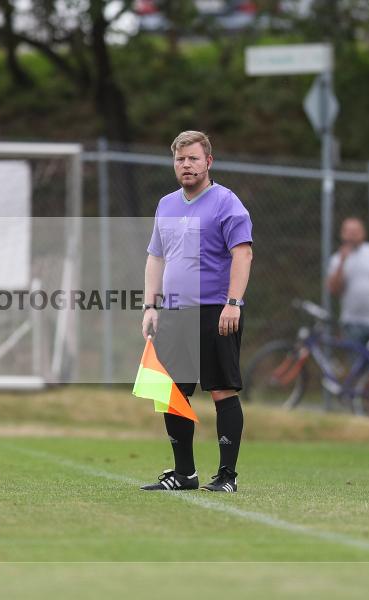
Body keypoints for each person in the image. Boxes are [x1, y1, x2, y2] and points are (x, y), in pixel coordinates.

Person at [140, 130, 253, 494]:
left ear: (208, 162)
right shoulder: (166, 204)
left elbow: (243, 253)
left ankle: (227, 476)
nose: (185, 165)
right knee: (170, 391)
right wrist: (150, 305)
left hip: (214, 312)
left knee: (221, 391)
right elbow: (156, 257)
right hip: (174, 313)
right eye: (179, 159)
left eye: (192, 158)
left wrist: (232, 303)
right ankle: (184, 474)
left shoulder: (226, 202)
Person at [326, 217, 369, 345]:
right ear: (342, 234)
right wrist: (342, 262)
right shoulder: (336, 259)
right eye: (349, 232)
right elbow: (334, 289)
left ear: (363, 233)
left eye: (355, 232)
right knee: (356, 363)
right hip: (352, 322)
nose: (352, 236)